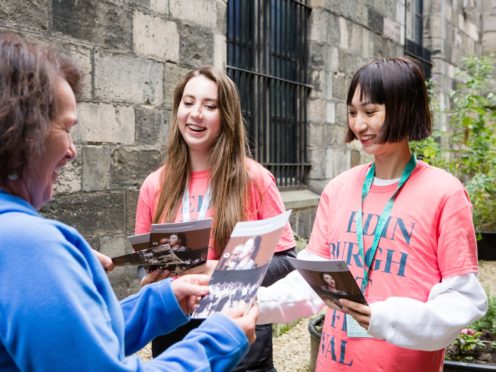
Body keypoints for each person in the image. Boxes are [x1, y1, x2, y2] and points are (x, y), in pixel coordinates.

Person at [0, 32, 258, 371]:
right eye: (66, 128)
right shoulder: (30, 245)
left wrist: (163, 300)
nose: (72, 151)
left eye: (209, 106)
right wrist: (220, 339)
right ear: (23, 132)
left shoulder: (253, 178)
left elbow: (82, 343)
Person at [256, 56, 488, 371]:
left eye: (370, 112)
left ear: (404, 108)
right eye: (352, 113)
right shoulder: (338, 189)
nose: (358, 125)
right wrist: (255, 302)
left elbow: (463, 300)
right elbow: (312, 280)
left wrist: (386, 318)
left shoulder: (445, 194)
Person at [135, 66, 296, 371]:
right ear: (177, 109)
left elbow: (286, 261)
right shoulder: (154, 184)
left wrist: (217, 269)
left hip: (238, 332)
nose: (196, 114)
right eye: (188, 102)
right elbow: (145, 262)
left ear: (226, 117)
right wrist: (148, 278)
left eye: (209, 106)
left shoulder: (255, 179)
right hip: (174, 332)